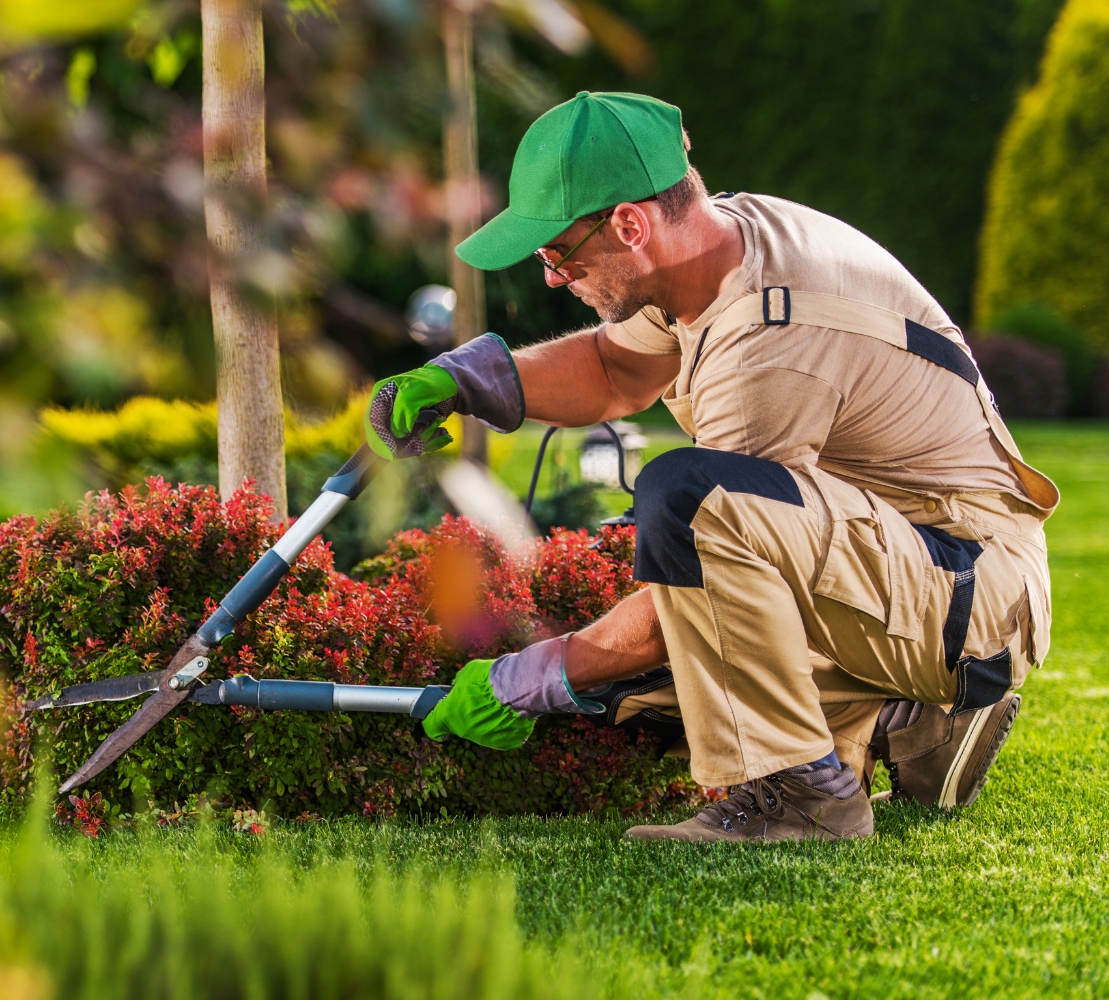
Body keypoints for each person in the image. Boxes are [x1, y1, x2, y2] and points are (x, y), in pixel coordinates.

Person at [365, 92, 1056, 843]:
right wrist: (469, 382)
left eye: (558, 254)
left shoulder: (770, 338)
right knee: (652, 686)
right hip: (915, 562)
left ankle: (806, 796)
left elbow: (690, 586)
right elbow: (614, 369)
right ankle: (911, 724)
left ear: (630, 223)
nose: (553, 280)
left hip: (968, 591)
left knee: (684, 511)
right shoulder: (713, 247)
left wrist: (527, 680)